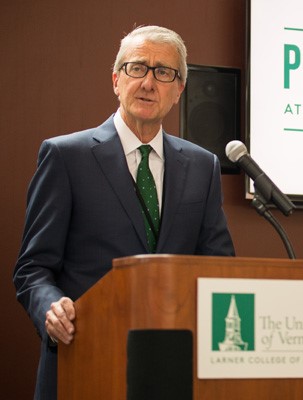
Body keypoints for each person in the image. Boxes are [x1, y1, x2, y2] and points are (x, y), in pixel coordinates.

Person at [13, 25, 235, 400]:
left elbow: (218, 266)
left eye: (164, 72)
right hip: (85, 362)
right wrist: (51, 309)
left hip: (174, 370)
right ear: (116, 80)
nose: (149, 82)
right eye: (137, 68)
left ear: (179, 90)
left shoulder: (203, 166)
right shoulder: (67, 156)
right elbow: (32, 268)